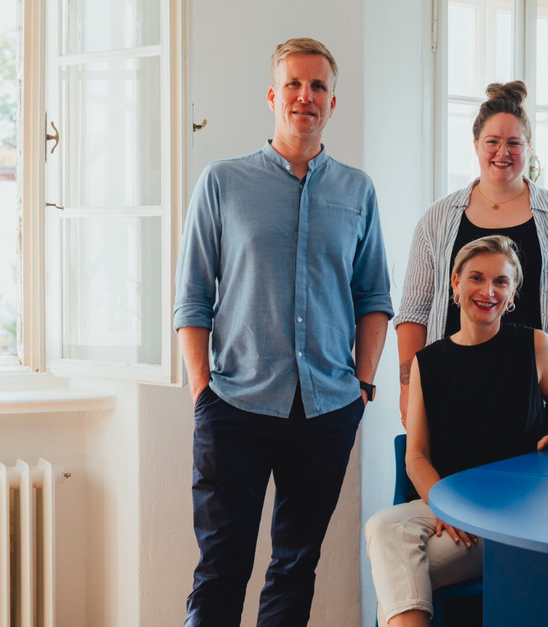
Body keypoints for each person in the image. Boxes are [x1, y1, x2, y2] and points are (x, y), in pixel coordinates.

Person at [173, 37, 393, 627]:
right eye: (294, 84)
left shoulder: (357, 191)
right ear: (274, 96)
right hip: (234, 404)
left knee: (297, 565)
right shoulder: (222, 182)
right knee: (222, 566)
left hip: (326, 408)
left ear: (332, 102)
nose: (305, 96)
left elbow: (374, 297)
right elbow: (192, 299)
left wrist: (363, 385)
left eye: (318, 85)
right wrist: (202, 394)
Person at [366, 235, 548, 627]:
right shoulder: (427, 363)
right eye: (476, 278)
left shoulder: (534, 345)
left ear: (512, 292)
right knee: (383, 525)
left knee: (396, 572)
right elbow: (416, 456)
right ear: (455, 283)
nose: (488, 291)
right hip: (449, 509)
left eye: (501, 282)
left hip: (516, 517)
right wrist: (444, 507)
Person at [394, 81, 548, 427]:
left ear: (529, 146)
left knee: (536, 482)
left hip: (535, 399)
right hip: (448, 391)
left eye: (513, 143)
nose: (502, 153)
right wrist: (408, 389)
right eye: (492, 142)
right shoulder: (437, 218)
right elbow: (414, 312)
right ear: (476, 144)